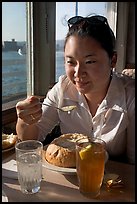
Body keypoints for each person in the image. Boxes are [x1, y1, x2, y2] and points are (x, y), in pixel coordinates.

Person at [16, 15, 135, 164]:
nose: (78, 73)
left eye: (90, 61)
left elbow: (133, 165)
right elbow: (30, 141)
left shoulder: (130, 96)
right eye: (70, 62)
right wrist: (26, 120)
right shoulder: (62, 89)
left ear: (113, 60)